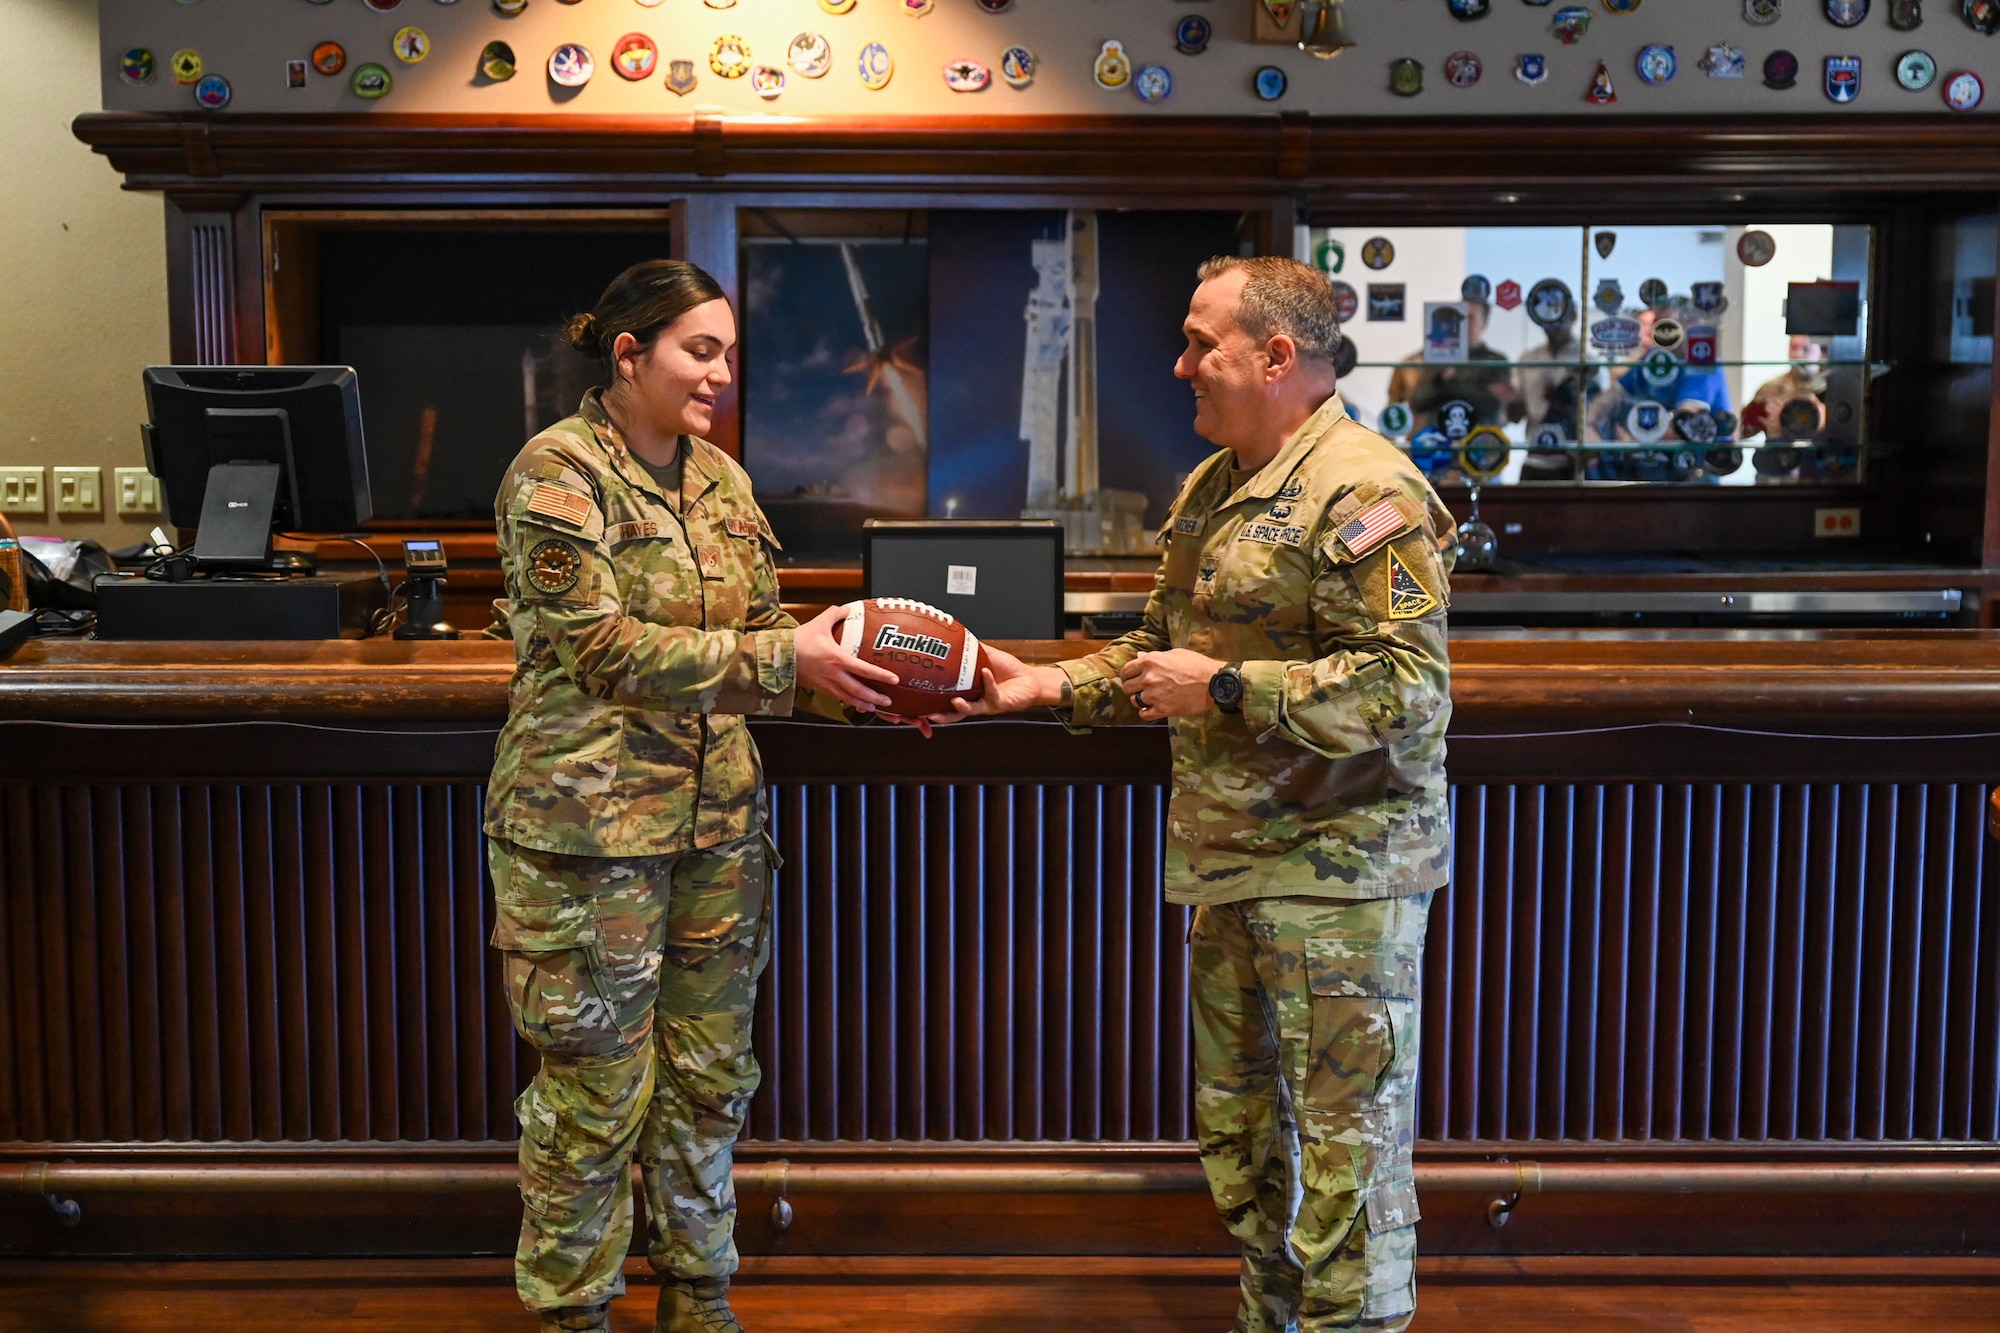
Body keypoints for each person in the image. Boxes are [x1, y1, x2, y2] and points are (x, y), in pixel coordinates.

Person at [942, 256, 1454, 1333]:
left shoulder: (1368, 492)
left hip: (1337, 882)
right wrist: (1045, 685)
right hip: (1229, 865)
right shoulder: (1214, 486)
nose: (1178, 365)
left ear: (1275, 356)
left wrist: (1225, 687)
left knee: (1343, 1152)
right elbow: (1156, 650)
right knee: (1245, 1140)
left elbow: (1406, 692)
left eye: (1197, 343)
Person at [484, 259, 906, 1333]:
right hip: (587, 842)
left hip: (715, 834)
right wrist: (784, 663)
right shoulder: (556, 474)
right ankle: (574, 1312)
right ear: (627, 354)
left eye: (728, 353)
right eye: (698, 351)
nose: (721, 374)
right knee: (591, 1098)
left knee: (708, 1084)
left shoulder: (721, 482)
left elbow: (764, 644)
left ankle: (697, 1295)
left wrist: (870, 693)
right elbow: (598, 647)